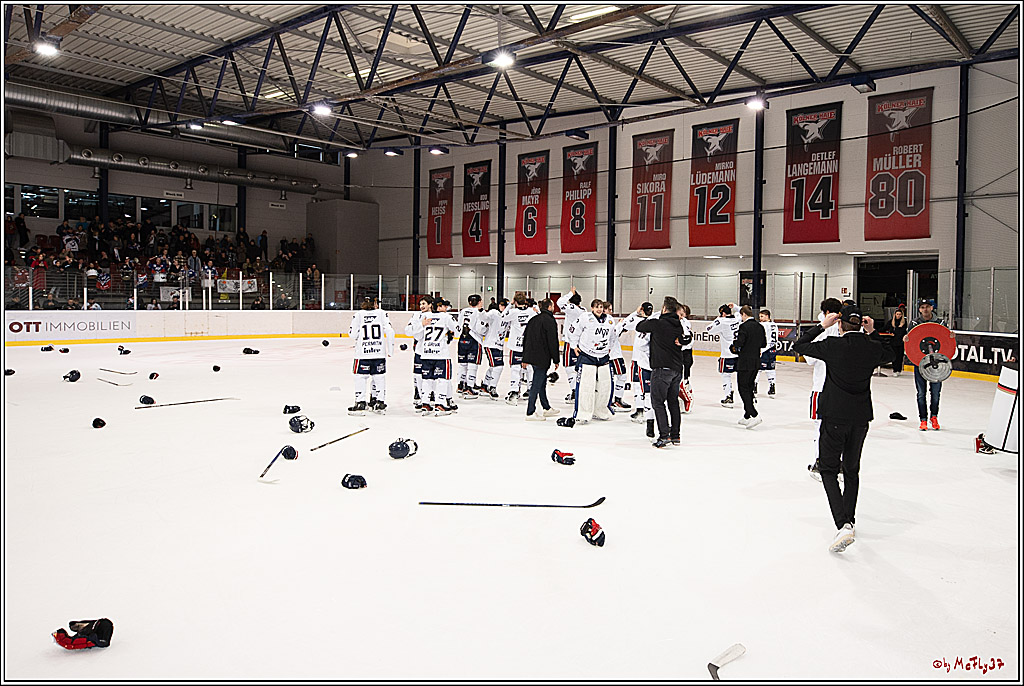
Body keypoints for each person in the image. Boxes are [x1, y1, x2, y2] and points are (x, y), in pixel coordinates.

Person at [793, 305, 892, 553]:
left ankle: (843, 523)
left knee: (828, 470)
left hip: (834, 415)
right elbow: (893, 352)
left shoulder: (833, 345)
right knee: (851, 470)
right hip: (860, 419)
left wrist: (821, 326)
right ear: (862, 325)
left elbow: (800, 345)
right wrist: (873, 332)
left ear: (840, 325)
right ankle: (850, 520)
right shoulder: (871, 347)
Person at [635, 297, 684, 448]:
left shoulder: (657, 323)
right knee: (673, 402)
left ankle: (664, 435)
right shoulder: (679, 325)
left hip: (662, 369)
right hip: (677, 370)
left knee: (657, 402)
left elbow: (639, 326)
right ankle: (675, 435)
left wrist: (643, 315)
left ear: (663, 309)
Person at [806, 298, 844, 480]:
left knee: (819, 427)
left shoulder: (820, 330)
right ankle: (841, 464)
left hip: (821, 387)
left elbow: (809, 358)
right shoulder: (849, 328)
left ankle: (820, 463)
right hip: (843, 389)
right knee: (842, 427)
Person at [564, 299, 616, 425]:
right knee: (586, 386)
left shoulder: (609, 320)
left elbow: (613, 337)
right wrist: (574, 346)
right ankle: (583, 413)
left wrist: (610, 350)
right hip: (587, 356)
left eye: (601, 307)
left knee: (605, 386)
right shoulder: (584, 317)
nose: (599, 309)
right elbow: (573, 331)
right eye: (596, 307)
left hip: (603, 357)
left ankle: (600, 411)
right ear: (592, 308)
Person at [411, 299, 460, 416]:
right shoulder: (446, 317)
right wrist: (451, 333)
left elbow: (417, 335)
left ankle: (426, 404)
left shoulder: (425, 316)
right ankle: (440, 404)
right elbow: (458, 331)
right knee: (443, 379)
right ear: (441, 306)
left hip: (426, 353)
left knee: (427, 379)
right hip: (441, 355)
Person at [904, 299, 947, 430]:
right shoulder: (914, 323)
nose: (925, 309)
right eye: (922, 307)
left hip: (936, 364)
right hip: (919, 363)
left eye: (927, 306)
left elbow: (946, 340)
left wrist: (951, 335)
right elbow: (910, 340)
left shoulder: (940, 323)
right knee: (921, 393)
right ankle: (923, 419)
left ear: (931, 308)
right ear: (919, 310)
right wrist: (906, 339)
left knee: (936, 393)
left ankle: (934, 417)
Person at [348, 297, 395, 416]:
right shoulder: (382, 314)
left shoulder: (358, 315)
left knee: (360, 377)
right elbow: (390, 331)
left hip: (362, 353)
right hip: (379, 352)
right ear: (374, 303)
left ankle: (360, 403)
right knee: (379, 378)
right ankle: (379, 402)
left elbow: (352, 334)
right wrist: (391, 349)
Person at [619, 302, 656, 438]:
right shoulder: (649, 321)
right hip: (643, 360)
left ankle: (642, 410)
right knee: (640, 386)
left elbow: (625, 323)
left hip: (640, 360)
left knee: (640, 386)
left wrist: (635, 312)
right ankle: (643, 410)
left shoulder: (640, 321)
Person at [522, 298, 561, 421]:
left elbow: (526, 340)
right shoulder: (549, 320)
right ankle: (530, 412)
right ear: (549, 307)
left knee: (541, 382)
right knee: (537, 383)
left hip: (533, 356)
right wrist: (556, 359)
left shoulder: (533, 319)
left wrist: (525, 357)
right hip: (542, 357)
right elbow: (553, 342)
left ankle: (546, 408)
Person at [732, 305, 767, 428]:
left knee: (743, 388)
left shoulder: (744, 326)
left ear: (744, 314)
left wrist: (733, 346)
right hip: (756, 361)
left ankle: (754, 414)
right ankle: (747, 415)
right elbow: (764, 343)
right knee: (750, 387)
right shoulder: (760, 326)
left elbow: (740, 343)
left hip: (745, 362)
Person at [501, 293, 537, 405]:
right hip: (528, 345)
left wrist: (509, 305)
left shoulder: (513, 312)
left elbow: (503, 316)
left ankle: (514, 392)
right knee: (530, 368)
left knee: (515, 369)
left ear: (515, 302)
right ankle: (531, 390)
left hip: (515, 346)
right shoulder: (531, 311)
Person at [706, 303, 741, 406]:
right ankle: (751, 396)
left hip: (727, 354)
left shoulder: (722, 322)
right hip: (738, 354)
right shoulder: (738, 319)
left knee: (726, 375)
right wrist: (735, 306)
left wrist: (718, 318)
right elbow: (741, 311)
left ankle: (728, 396)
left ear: (723, 313)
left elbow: (709, 330)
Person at [556, 288, 587, 404]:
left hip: (570, 342)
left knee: (569, 367)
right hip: (581, 342)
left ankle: (574, 391)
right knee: (580, 368)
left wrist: (570, 293)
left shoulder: (571, 308)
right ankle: (580, 390)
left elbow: (559, 303)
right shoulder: (584, 310)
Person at [477, 298, 508, 400]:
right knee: (498, 367)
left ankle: (485, 385)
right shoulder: (494, 313)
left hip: (499, 345)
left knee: (493, 367)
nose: (503, 307)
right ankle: (492, 387)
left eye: (505, 305)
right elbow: (484, 317)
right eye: (502, 305)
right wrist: (481, 309)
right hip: (491, 344)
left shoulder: (508, 316)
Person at [404, 296, 433, 406]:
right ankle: (419, 393)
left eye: (424, 303)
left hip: (432, 350)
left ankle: (430, 394)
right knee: (418, 373)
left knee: (431, 375)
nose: (422, 306)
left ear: (430, 304)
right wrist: (421, 325)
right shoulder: (416, 316)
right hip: (420, 349)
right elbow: (408, 331)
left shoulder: (436, 316)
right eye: (420, 304)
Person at [456, 294, 484, 398]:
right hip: (474, 339)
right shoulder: (479, 312)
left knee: (463, 364)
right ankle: (469, 387)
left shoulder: (463, 311)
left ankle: (460, 384)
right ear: (480, 302)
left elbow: (458, 325)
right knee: (473, 364)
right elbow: (480, 328)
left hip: (462, 339)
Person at [603, 301, 630, 410]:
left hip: (611, 354)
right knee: (621, 376)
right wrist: (621, 324)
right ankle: (616, 400)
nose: (611, 311)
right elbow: (612, 335)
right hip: (614, 355)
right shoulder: (607, 321)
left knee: (612, 378)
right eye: (609, 309)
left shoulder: (605, 321)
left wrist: (621, 329)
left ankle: (610, 400)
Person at [757, 309, 780, 397]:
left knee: (758, 369)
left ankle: (754, 387)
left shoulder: (763, 325)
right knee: (770, 369)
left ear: (767, 316)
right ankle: (772, 387)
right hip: (773, 350)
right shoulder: (774, 325)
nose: (760, 318)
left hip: (764, 350)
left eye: (762, 316)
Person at [886, 306, 908, 376]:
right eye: (897, 314)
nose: (898, 315)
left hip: (901, 342)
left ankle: (899, 369)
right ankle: (895, 370)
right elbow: (884, 328)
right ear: (895, 315)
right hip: (893, 342)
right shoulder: (890, 322)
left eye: (900, 314)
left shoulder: (904, 323)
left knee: (900, 356)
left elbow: (904, 332)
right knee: (894, 356)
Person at [679, 304, 694, 388]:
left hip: (687, 348)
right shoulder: (676, 321)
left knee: (688, 363)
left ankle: (686, 380)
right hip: (680, 349)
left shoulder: (686, 322)